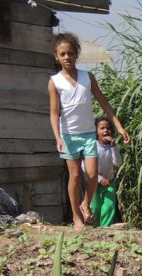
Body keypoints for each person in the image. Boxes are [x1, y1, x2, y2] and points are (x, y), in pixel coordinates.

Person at [48, 32, 129, 231]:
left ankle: (85, 203)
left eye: (71, 53)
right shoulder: (55, 82)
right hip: (68, 135)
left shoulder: (87, 77)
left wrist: (118, 126)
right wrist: (57, 137)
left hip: (87, 134)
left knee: (92, 175)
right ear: (56, 56)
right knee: (75, 176)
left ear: (77, 55)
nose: (67, 57)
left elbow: (104, 103)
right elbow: (54, 113)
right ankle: (77, 217)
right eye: (63, 54)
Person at [90, 116, 123, 227]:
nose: (105, 131)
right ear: (96, 131)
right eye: (102, 128)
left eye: (108, 128)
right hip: (93, 181)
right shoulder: (93, 146)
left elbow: (118, 163)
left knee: (109, 206)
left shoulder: (112, 147)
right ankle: (94, 227)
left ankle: (105, 228)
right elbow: (85, 166)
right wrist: (99, 178)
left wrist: (114, 146)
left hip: (109, 181)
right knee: (95, 207)